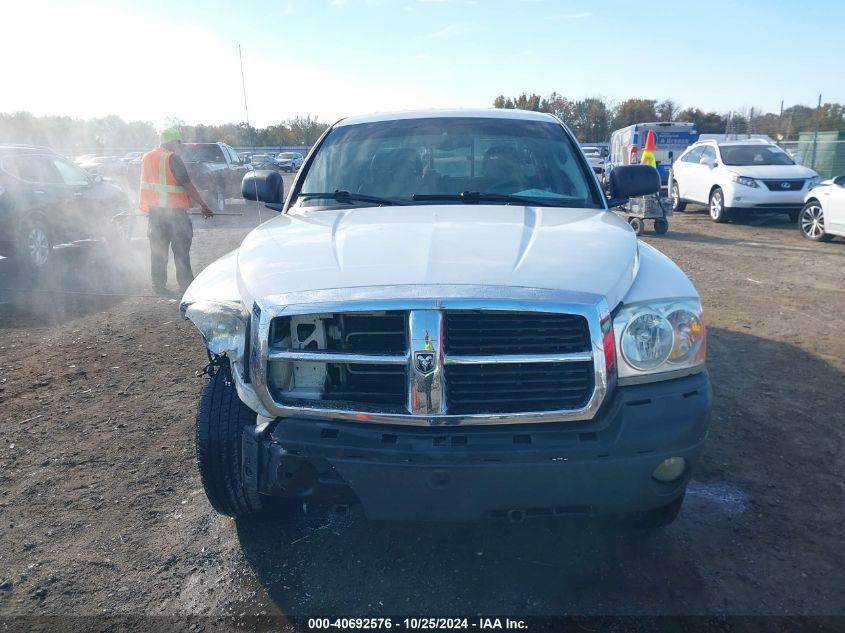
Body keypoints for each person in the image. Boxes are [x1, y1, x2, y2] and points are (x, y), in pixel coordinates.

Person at [138, 127, 213, 295]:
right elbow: (187, 185)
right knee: (181, 253)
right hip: (175, 215)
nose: (179, 145)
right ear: (171, 142)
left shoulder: (147, 157)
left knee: (158, 252)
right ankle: (186, 286)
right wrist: (203, 205)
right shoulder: (172, 158)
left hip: (155, 214)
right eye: (178, 142)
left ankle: (158, 286)